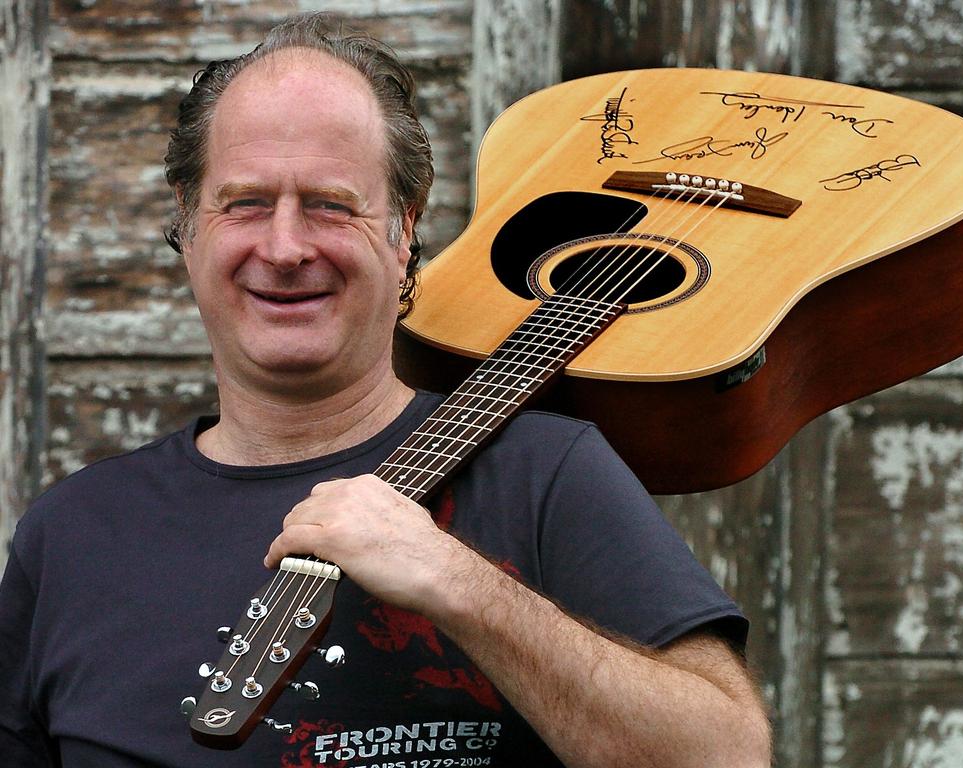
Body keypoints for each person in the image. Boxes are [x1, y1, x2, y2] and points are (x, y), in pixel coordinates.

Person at [0, 13, 771, 768]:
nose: (286, 246)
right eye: (246, 203)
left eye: (332, 205)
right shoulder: (71, 535)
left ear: (404, 232)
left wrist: (456, 580)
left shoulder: (545, 472)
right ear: (188, 227)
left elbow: (728, 756)